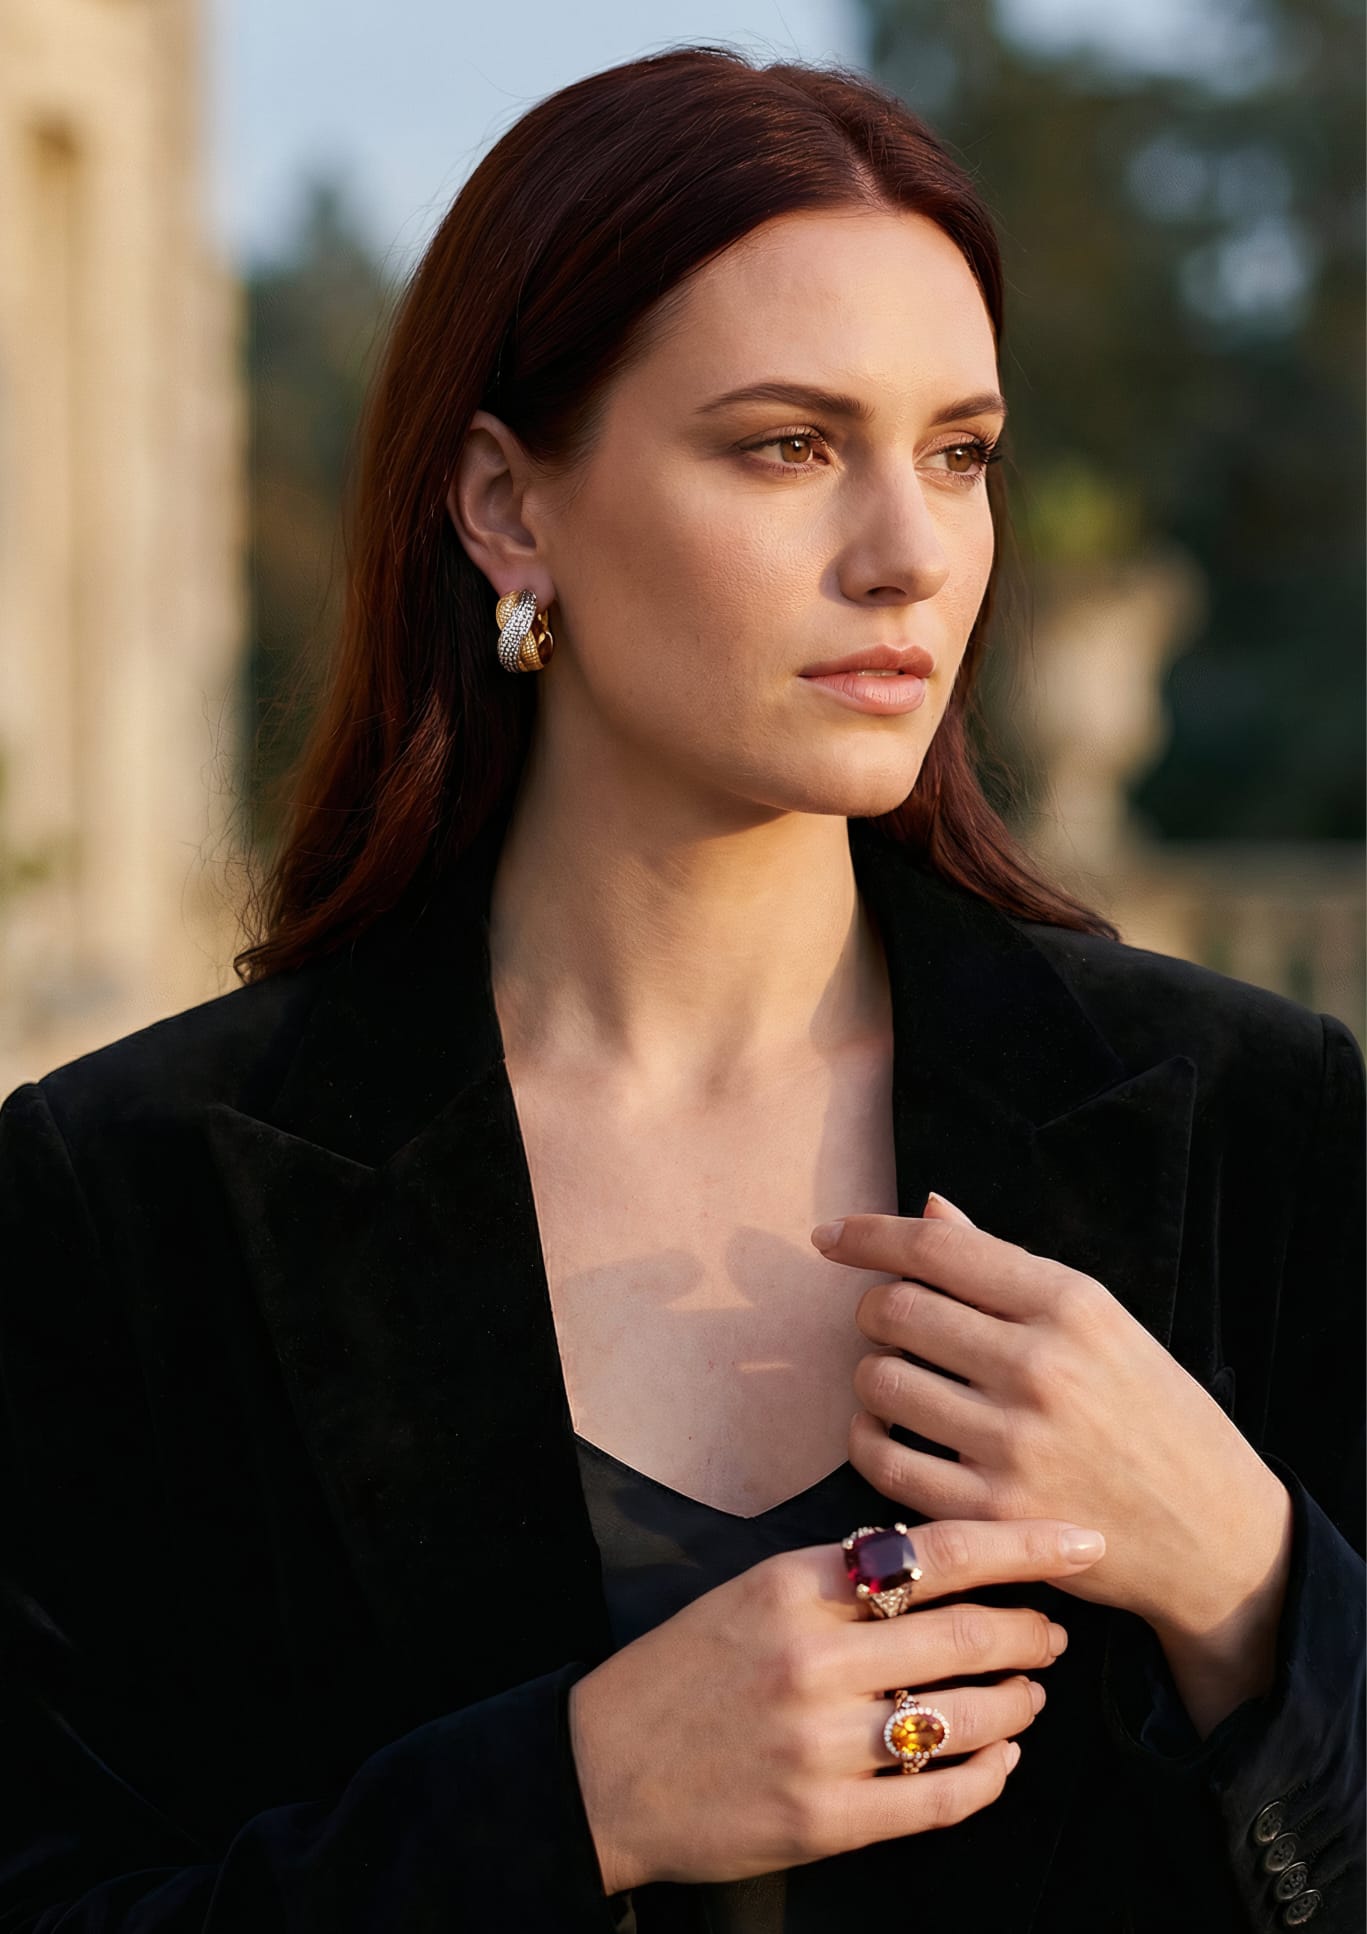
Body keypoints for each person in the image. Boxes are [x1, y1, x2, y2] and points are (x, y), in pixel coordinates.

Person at [0, 42, 1361, 1934]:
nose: (909, 555)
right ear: (507, 505)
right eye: (788, 445)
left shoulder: (1258, 1125)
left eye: (958, 453)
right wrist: (572, 1804)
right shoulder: (120, 1192)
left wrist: (1252, 1583)